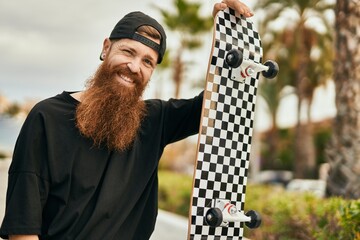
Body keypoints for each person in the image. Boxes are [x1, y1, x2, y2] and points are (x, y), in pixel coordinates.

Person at [0, 1, 253, 239]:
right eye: (128, 51)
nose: (134, 67)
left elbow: (216, 103)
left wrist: (226, 35)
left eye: (147, 61)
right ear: (106, 47)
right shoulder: (47, 117)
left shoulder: (155, 121)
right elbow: (23, 224)